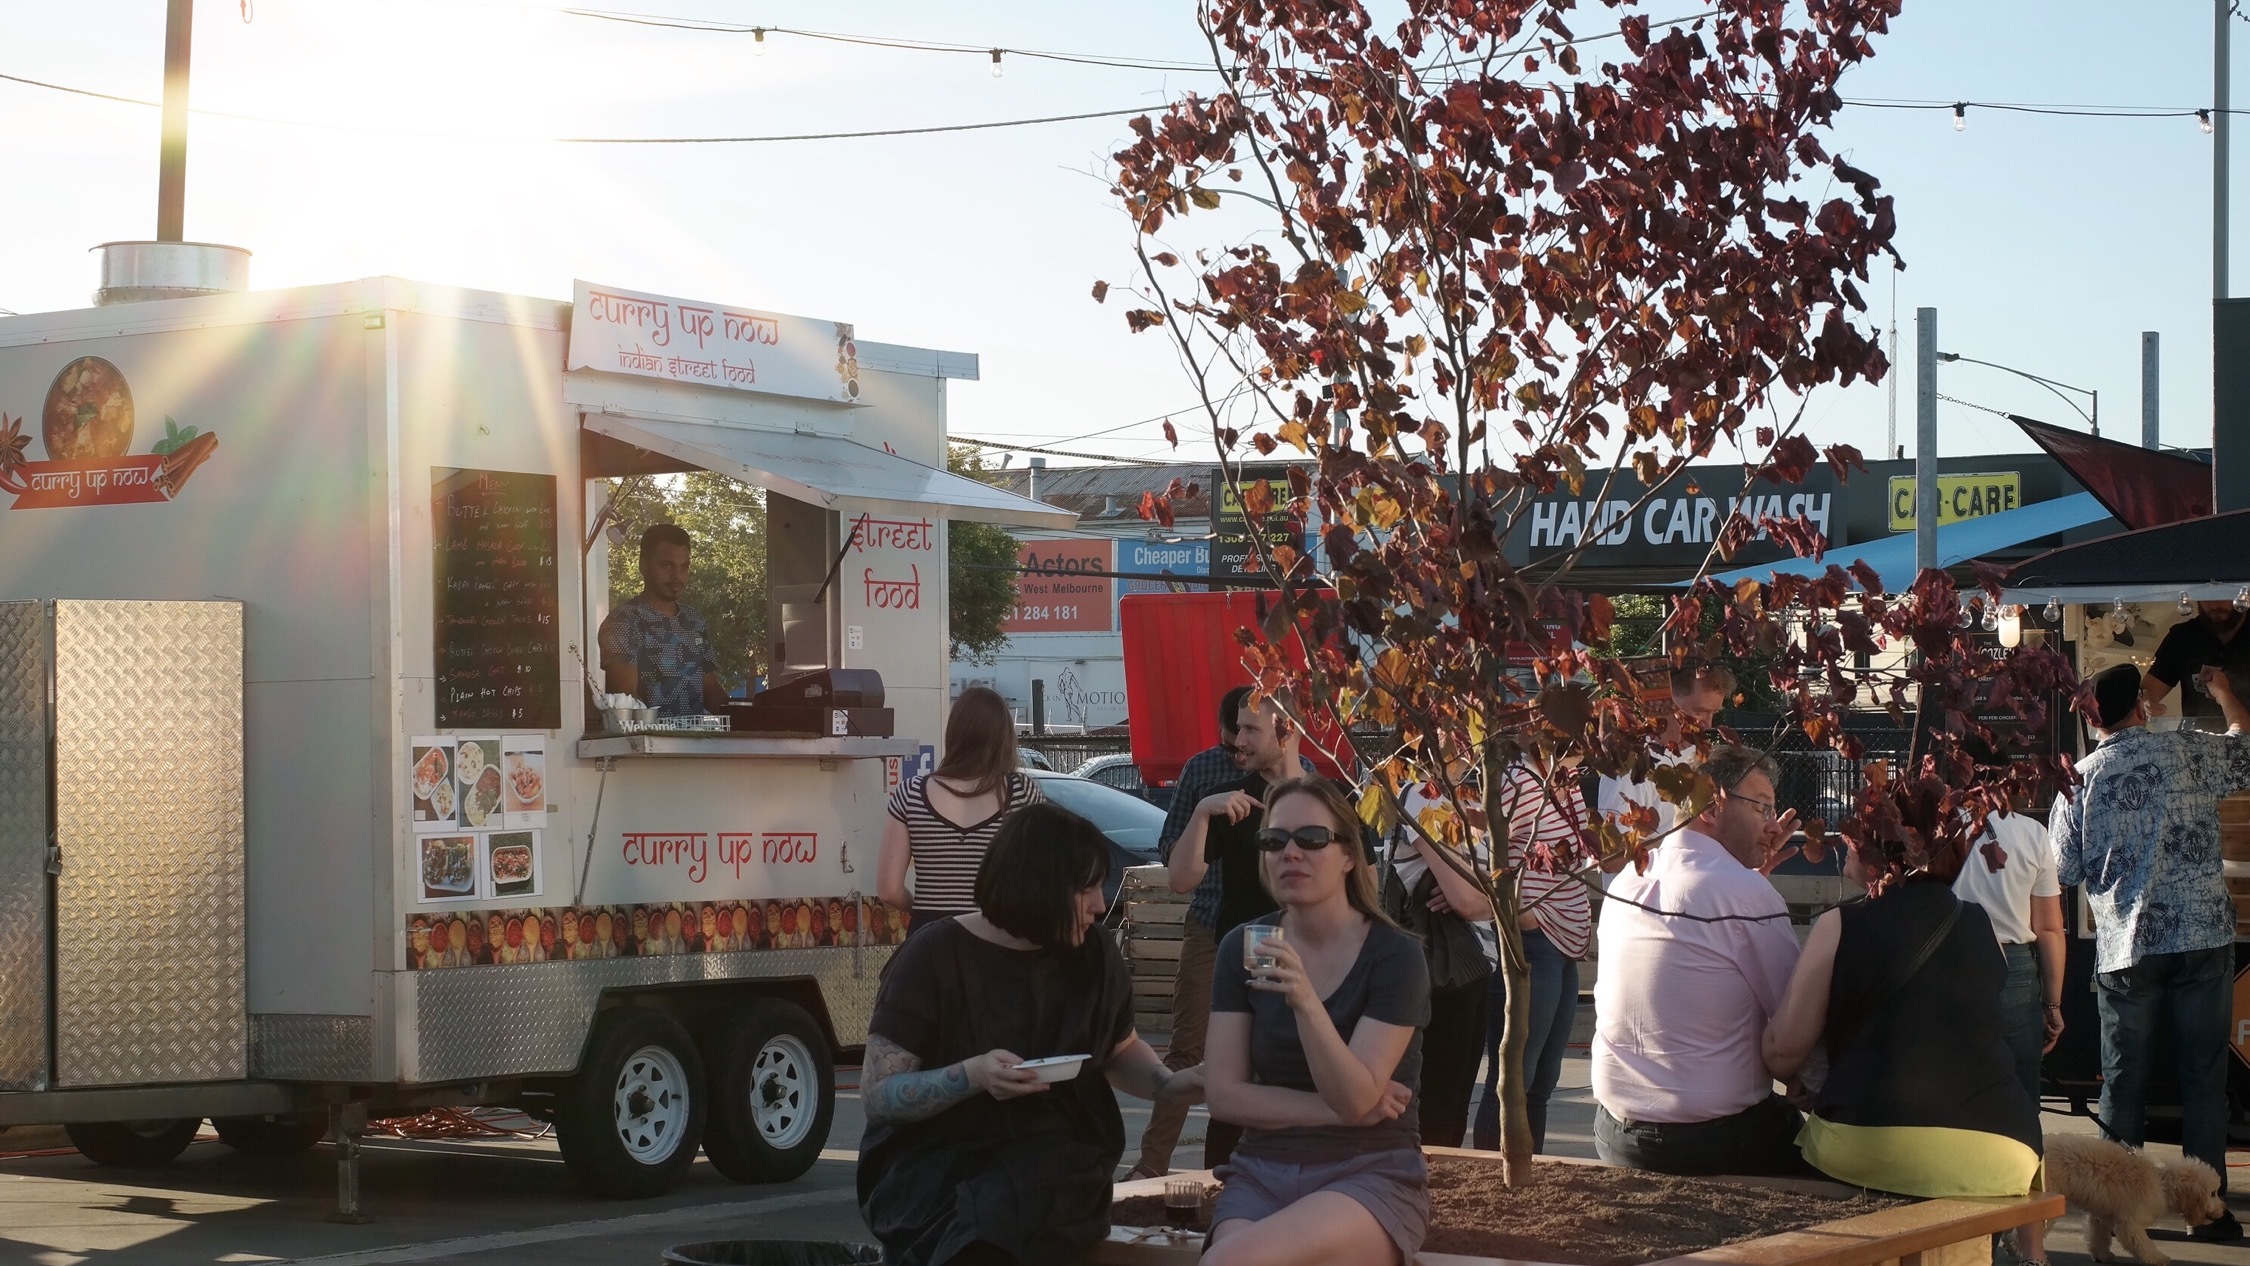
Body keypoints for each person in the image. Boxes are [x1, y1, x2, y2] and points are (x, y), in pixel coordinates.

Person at [857, 803, 1202, 1266]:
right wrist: (972, 1075)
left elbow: (1119, 1049)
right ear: (1039, 887)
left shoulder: (1094, 953)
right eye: (1086, 888)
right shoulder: (935, 955)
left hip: (1054, 1158)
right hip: (937, 1161)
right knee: (985, 1217)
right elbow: (879, 1095)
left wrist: (1171, 1084)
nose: (1100, 905)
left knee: (1031, 1189)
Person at [2052, 662, 2250, 1240]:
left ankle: (2115, 1215)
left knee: (2123, 1083)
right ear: (2141, 706)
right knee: (2203, 1078)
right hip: (2202, 935)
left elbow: (2063, 869)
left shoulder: (2079, 780)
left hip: (2126, 946)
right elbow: (2245, 749)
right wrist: (2223, 692)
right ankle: (2207, 1215)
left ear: (2093, 721)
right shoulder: (2188, 749)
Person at [1203, 777, 1431, 1266]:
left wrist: (1305, 1001)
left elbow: (1354, 1096)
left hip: (1368, 1172)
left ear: (1348, 855)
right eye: (1274, 840)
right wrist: (1336, 1111)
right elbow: (1223, 1096)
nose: (1290, 853)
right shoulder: (1245, 947)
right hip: (1261, 1172)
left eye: (1311, 838)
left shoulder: (1394, 955)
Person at [1592, 744, 1806, 1176]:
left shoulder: (1631, 879)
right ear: (1712, 804)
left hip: (1614, 1132)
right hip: (1713, 1139)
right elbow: (1795, 1027)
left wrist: (1746, 878)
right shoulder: (1744, 895)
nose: (1772, 825)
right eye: (1761, 807)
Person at [1149, 691, 1315, 1176]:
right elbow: (1180, 877)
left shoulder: (1326, 799)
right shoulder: (1228, 794)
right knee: (1224, 1066)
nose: (1239, 740)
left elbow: (1362, 882)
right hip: (1237, 946)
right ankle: (1180, 1173)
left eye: (1250, 730)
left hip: (1308, 953)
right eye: (1237, 729)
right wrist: (1204, 812)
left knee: (1294, 1065)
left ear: (1285, 732)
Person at [1130, 685, 1251, 1180]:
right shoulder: (1202, 769)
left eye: (1250, 735)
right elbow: (1168, 845)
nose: (1240, 749)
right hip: (1209, 920)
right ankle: (1152, 1164)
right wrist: (1206, 823)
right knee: (1186, 1047)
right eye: (1233, 739)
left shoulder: (1297, 775)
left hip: (1268, 932)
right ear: (1222, 730)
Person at [1472, 755, 1593, 1154]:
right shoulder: (1518, 779)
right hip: (1536, 941)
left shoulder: (1567, 780)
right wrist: (1521, 914)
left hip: (1566, 943)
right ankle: (1495, 1172)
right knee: (1513, 1080)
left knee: (1542, 1081)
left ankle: (1528, 1170)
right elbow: (1482, 846)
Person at [1384, 766, 1496, 1150]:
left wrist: (1485, 892)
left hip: (1472, 965)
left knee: (1453, 1109)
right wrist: (1495, 896)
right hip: (1440, 971)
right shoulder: (1423, 796)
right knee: (1437, 1112)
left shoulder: (1464, 797)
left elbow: (1496, 886)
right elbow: (1470, 901)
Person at [879, 686, 1044, 932]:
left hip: (930, 938)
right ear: (1004, 738)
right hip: (998, 936)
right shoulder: (1022, 793)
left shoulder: (911, 793)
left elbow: (889, 890)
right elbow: (1041, 878)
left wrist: (923, 910)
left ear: (954, 732)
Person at [1950, 764, 2066, 1105]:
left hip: (1945, 959)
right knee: (2016, 1097)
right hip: (2012, 969)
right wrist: (2053, 1005)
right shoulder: (2032, 833)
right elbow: (2049, 928)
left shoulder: (1936, 830)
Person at [1596, 663, 1733, 852]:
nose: (1708, 724)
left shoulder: (1700, 756)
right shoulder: (1631, 766)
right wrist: (1686, 846)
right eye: (1699, 711)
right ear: (1667, 703)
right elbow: (1612, 856)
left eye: (1713, 713)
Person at [598, 523, 727, 718]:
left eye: (684, 567)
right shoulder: (624, 621)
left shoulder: (694, 620)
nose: (677, 576)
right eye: (667, 565)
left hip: (698, 736)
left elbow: (709, 686)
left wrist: (748, 719)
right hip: (646, 737)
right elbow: (625, 696)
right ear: (644, 566)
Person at [2140, 600, 2250, 720]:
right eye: (2206, 597)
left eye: (2222, 595)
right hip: (2197, 731)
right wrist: (2146, 699)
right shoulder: (2183, 636)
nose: (2215, 605)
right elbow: (2148, 690)